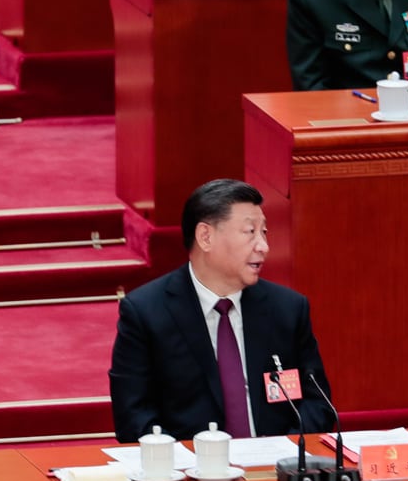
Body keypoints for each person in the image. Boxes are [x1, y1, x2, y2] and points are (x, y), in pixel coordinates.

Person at [109, 179, 334, 442]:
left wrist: (286, 453)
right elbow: (133, 418)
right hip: (190, 474)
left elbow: (317, 404)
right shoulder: (146, 313)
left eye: (264, 232)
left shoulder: (287, 309)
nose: (263, 246)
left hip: (276, 472)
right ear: (206, 237)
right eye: (250, 232)